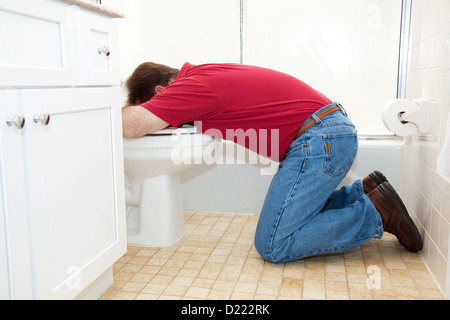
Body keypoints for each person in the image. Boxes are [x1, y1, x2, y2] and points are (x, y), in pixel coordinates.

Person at [122, 61, 423, 263]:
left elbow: (131, 125)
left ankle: (375, 215)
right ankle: (362, 195)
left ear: (160, 92)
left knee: (274, 244)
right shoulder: (205, 75)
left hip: (320, 141)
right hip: (325, 136)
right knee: (287, 222)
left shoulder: (191, 86)